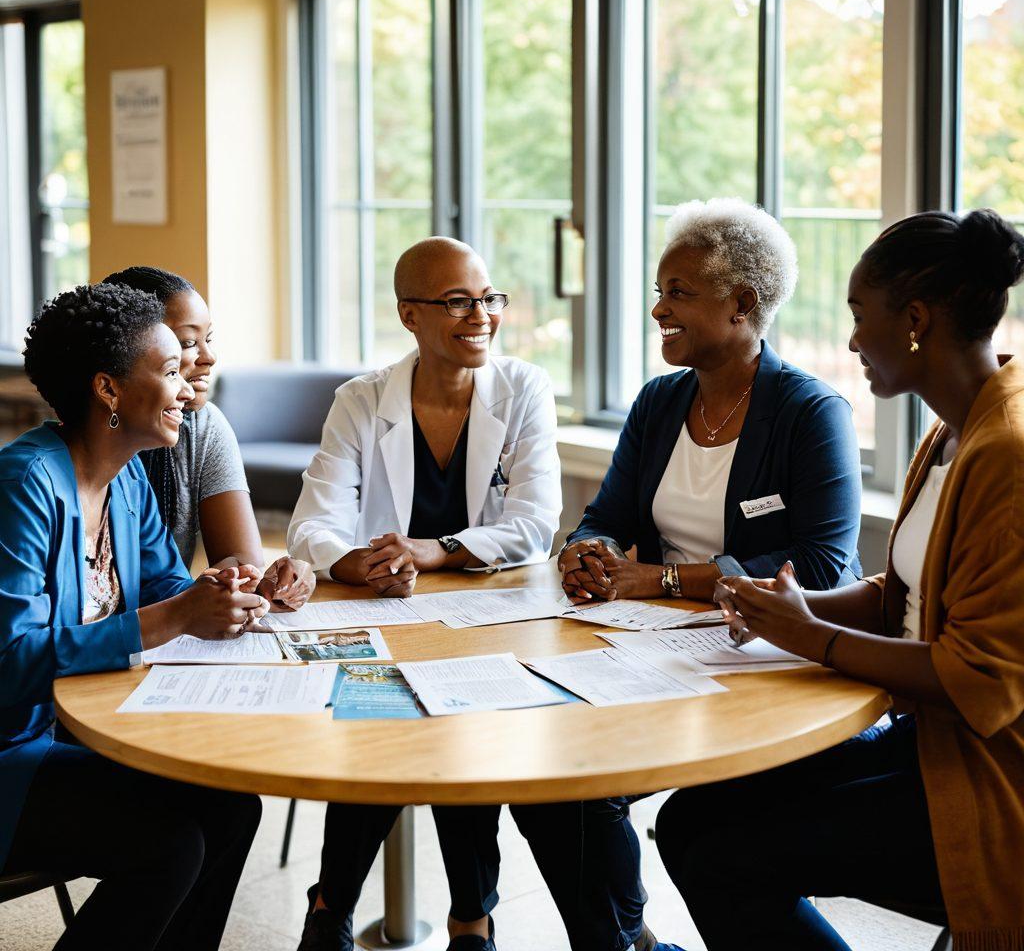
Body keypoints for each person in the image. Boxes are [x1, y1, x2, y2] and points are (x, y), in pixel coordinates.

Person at [655, 208, 1024, 950]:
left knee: (726, 858)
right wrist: (788, 608)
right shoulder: (952, 429)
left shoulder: (1006, 453)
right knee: (688, 819)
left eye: (861, 316)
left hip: (986, 777)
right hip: (928, 742)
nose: (852, 340)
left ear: (915, 320)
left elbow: (980, 681)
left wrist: (811, 635)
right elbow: (904, 596)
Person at [550, 198, 864, 951]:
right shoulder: (660, 401)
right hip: (651, 650)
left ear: (743, 304)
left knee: (609, 801)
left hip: (773, 662)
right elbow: (608, 514)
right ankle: (628, 942)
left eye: (679, 292)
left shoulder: (809, 411)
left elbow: (819, 565)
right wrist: (586, 551)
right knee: (561, 786)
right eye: (660, 292)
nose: (659, 308)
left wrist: (660, 580)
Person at [289, 237, 562, 951]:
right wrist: (360, 566)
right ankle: (331, 912)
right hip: (387, 611)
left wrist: (436, 551)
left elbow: (535, 525)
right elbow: (313, 523)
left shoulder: (523, 389)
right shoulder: (362, 400)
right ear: (410, 314)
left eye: (488, 298)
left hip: (488, 615)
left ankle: (471, 918)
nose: (481, 316)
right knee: (374, 727)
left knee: (464, 739)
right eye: (456, 302)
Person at [1, 283, 267, 950]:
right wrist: (177, 615)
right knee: (168, 847)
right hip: (10, 749)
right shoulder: (25, 484)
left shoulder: (126, 478)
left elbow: (164, 584)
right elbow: (9, 663)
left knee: (232, 805)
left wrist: (217, 585)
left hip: (62, 736)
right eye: (172, 371)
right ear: (108, 390)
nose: (187, 389)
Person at [103, 266, 314, 609]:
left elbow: (236, 567)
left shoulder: (200, 426)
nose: (209, 357)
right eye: (187, 343)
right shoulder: (77, 461)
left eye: (208, 339)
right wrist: (184, 610)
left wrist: (269, 582)